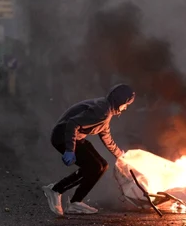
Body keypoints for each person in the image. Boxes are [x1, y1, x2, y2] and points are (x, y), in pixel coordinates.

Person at [42, 84, 135, 215]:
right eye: (126, 105)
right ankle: (55, 190)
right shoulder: (103, 111)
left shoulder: (105, 110)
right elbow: (72, 123)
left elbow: (105, 135)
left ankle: (75, 202)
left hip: (76, 138)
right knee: (93, 167)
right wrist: (70, 149)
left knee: (102, 165)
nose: (125, 108)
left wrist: (120, 155)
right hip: (63, 137)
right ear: (120, 101)